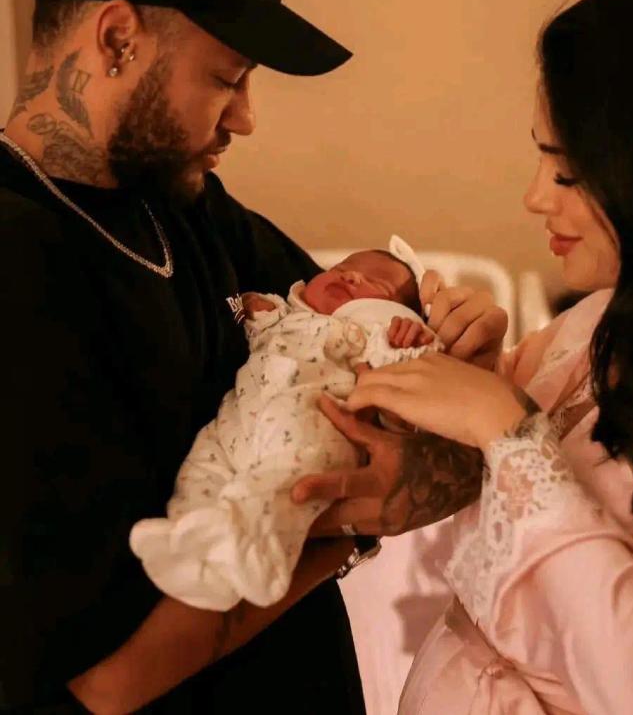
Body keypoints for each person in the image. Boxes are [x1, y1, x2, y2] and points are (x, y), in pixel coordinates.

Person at [0, 0, 504, 713]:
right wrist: (348, 527)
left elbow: (423, 435)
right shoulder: (20, 262)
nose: (245, 116)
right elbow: (108, 680)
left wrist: (464, 362)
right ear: (117, 38)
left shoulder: (192, 208)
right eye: (225, 79)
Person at [300, 0, 633, 713]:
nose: (535, 197)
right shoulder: (597, 322)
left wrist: (506, 427)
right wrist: (481, 370)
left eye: (567, 172)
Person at [129, 244, 440, 612]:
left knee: (278, 490)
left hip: (314, 429)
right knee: (204, 465)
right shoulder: (285, 316)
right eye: (343, 268)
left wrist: (411, 342)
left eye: (378, 284)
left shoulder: (377, 335)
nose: (352, 276)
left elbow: (410, 396)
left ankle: (262, 562)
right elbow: (250, 327)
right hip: (239, 422)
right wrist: (254, 309)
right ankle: (190, 541)